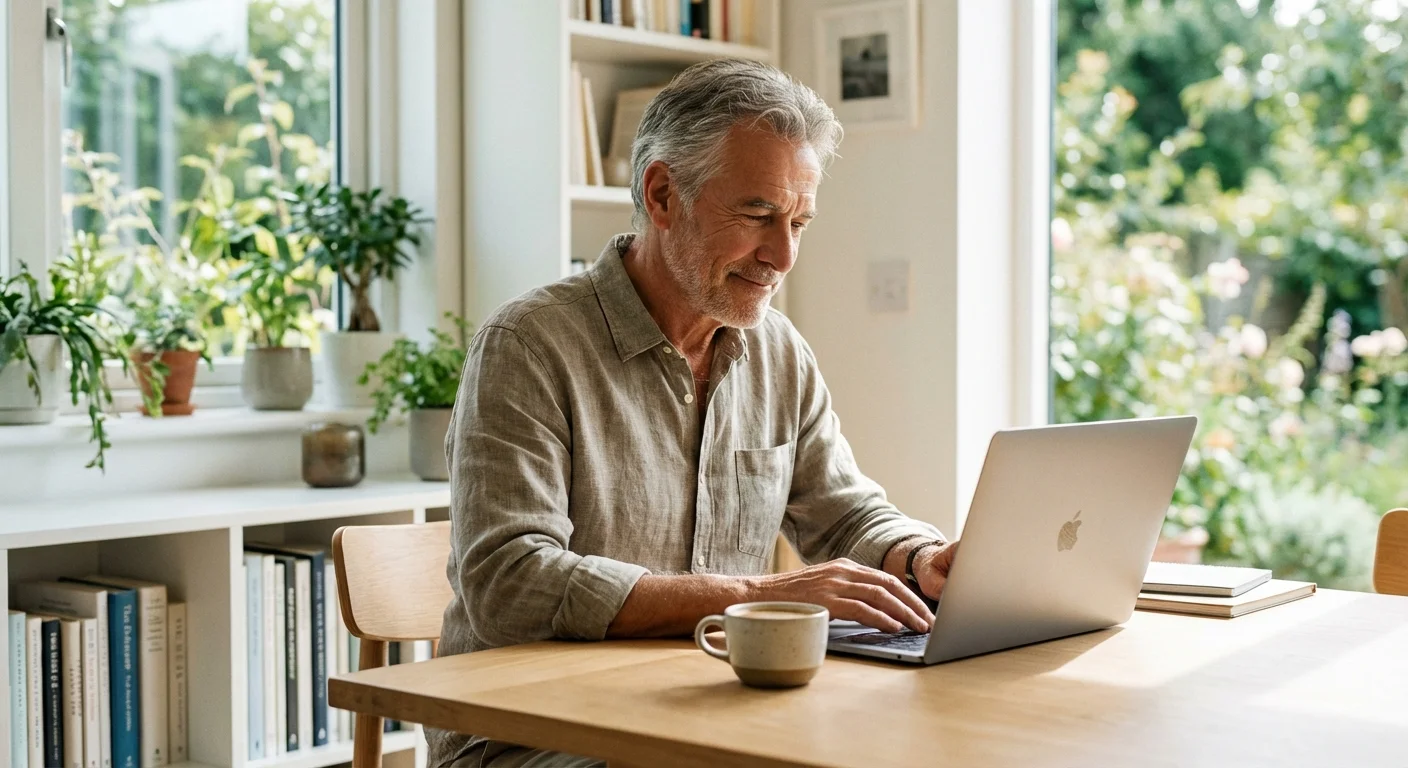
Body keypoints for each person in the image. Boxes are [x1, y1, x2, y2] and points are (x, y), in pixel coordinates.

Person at [430, 58, 960, 768]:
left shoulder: (778, 350)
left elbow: (844, 512)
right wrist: (757, 594)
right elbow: (510, 582)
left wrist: (917, 558)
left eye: (799, 221)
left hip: (708, 715)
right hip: (533, 738)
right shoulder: (529, 345)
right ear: (661, 194)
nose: (783, 255)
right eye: (757, 215)